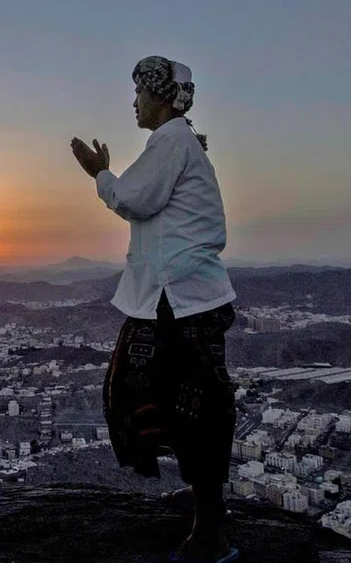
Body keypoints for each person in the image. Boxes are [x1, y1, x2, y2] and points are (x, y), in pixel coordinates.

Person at [70, 56, 239, 563]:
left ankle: (210, 532)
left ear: (162, 97)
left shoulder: (171, 141)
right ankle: (206, 515)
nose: (134, 102)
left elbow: (133, 199)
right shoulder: (177, 142)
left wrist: (99, 174)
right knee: (188, 405)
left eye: (141, 92)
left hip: (179, 300)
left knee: (186, 407)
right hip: (179, 298)